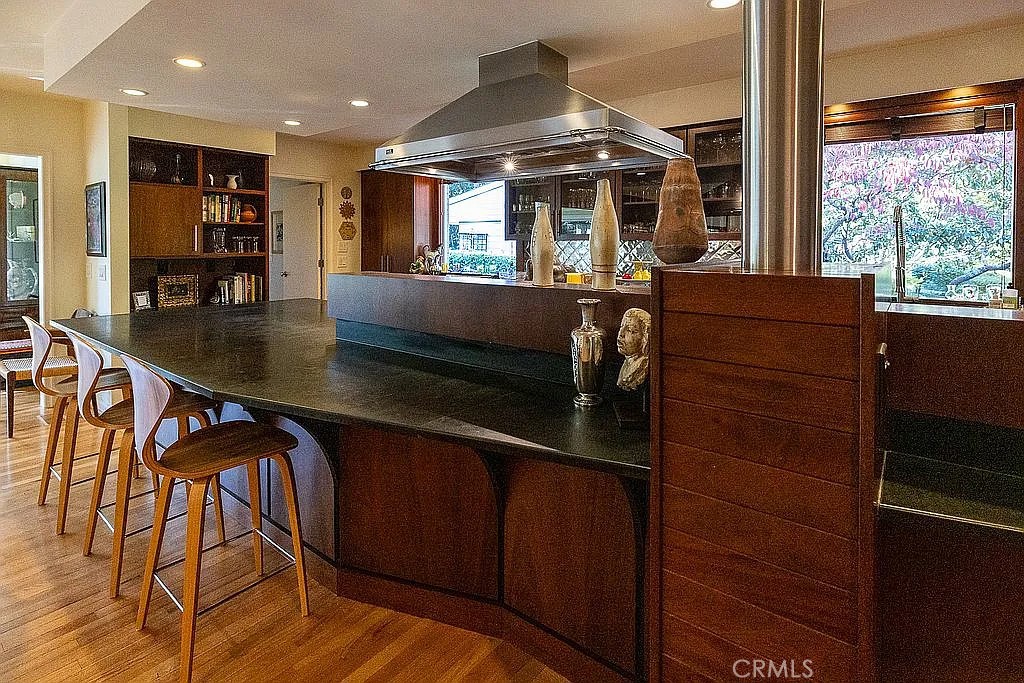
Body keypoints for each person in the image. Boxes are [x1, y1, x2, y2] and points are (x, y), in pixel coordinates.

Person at [616, 307, 651, 391]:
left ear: (644, 339)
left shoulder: (642, 366)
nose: (621, 334)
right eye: (622, 326)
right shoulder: (627, 362)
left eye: (630, 330)